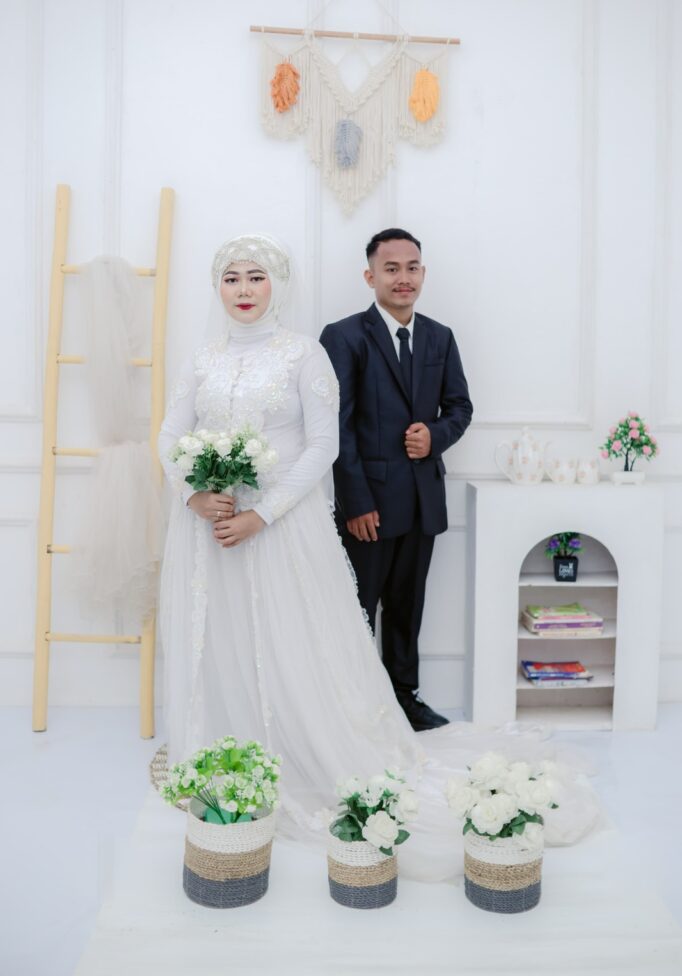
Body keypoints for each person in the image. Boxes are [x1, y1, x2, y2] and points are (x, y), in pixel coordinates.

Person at [158, 233, 597, 881]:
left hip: (315, 514)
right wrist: (194, 492)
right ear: (370, 275)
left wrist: (267, 510)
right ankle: (240, 731)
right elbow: (177, 433)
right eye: (232, 278)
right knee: (256, 625)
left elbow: (344, 436)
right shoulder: (225, 353)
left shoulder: (331, 348)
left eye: (256, 276)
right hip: (234, 519)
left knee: (367, 618)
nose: (244, 289)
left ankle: (380, 707)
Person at [320, 229, 473, 732]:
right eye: (391, 269)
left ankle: (405, 699)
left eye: (412, 268)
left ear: (422, 274)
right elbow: (337, 426)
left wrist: (434, 436)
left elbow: (460, 407)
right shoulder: (343, 336)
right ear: (371, 277)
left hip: (422, 500)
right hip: (368, 506)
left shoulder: (440, 337)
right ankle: (353, 707)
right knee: (357, 609)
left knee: (408, 607)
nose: (403, 277)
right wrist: (355, 502)